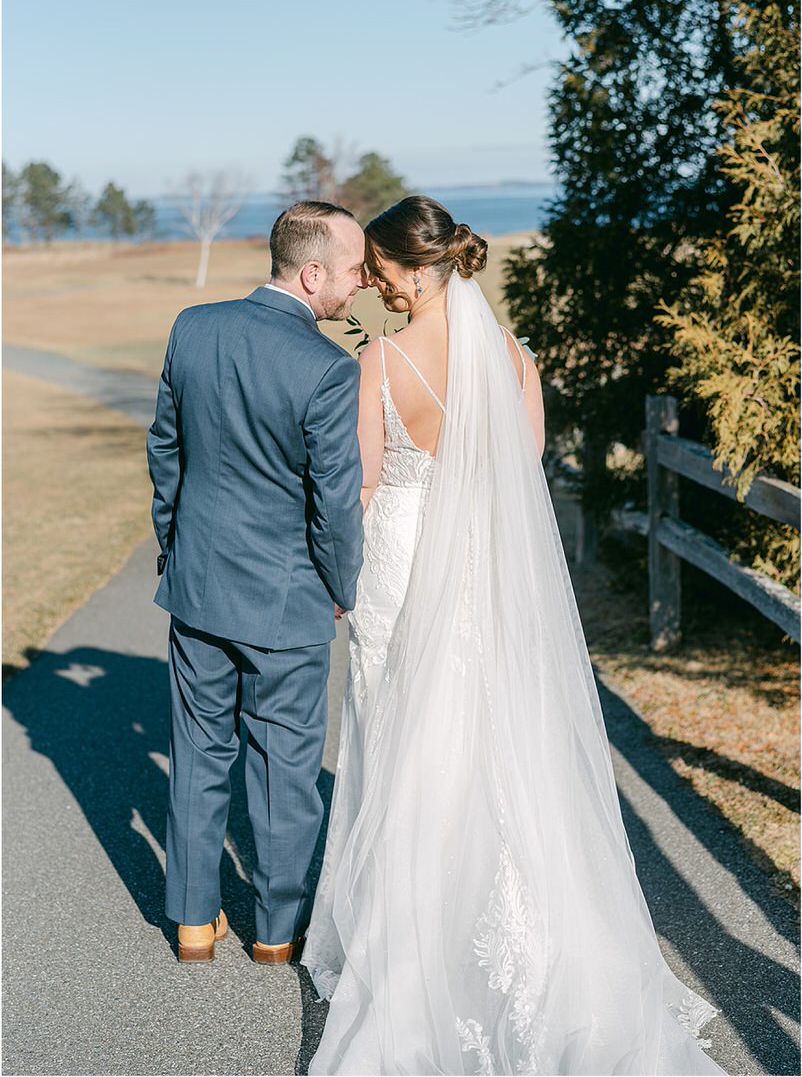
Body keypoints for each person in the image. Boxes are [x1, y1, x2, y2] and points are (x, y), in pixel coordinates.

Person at [301, 195, 727, 1075]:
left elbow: (367, 490)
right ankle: (524, 924)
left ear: (415, 268)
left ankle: (413, 929)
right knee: (493, 740)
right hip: (487, 575)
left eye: (379, 265)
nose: (373, 278)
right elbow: (521, 473)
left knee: (403, 742)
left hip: (402, 565)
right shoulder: (513, 358)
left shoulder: (378, 360)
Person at [146, 201, 366, 963]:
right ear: (312, 274)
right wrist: (345, 586)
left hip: (199, 587)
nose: (360, 283)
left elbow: (165, 452)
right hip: (287, 603)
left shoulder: (192, 328)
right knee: (284, 770)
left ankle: (192, 923)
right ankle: (275, 933)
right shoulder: (329, 368)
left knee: (199, 752)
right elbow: (333, 504)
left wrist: (173, 548)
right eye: (352, 270)